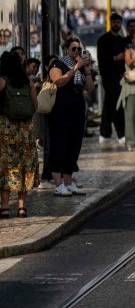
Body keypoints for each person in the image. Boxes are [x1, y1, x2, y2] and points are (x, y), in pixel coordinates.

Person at [45, 40, 91, 197]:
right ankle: (58, 184)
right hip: (60, 110)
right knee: (60, 143)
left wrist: (87, 70)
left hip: (77, 109)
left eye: (79, 48)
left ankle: (68, 182)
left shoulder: (81, 68)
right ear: (66, 49)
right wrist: (75, 68)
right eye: (74, 48)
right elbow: (59, 81)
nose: (77, 51)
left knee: (74, 144)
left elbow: (89, 88)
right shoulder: (57, 64)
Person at [0, 51, 32, 217]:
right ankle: (21, 207)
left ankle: (5, 207)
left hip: (6, 131)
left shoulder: (3, 82)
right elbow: (35, 105)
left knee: (6, 169)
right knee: (23, 169)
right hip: (25, 133)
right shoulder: (28, 83)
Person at [95, 12, 128, 144]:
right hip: (108, 76)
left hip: (120, 77)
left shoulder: (121, 40)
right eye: (114, 22)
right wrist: (115, 58)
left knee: (109, 104)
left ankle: (105, 133)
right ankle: (121, 134)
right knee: (116, 105)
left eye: (118, 22)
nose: (116, 25)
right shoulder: (103, 40)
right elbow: (102, 58)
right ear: (111, 23)